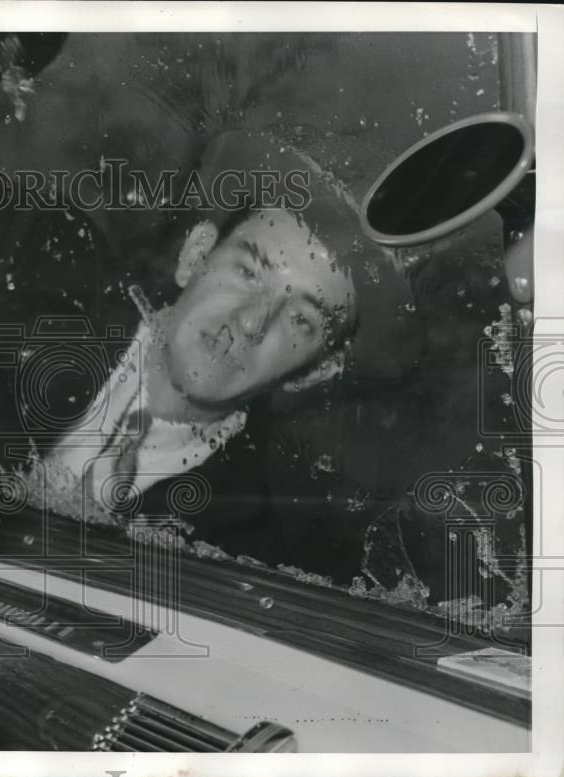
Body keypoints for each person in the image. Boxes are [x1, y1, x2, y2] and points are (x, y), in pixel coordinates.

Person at [43, 130, 418, 530]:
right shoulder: (33, 289)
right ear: (196, 254)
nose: (252, 321)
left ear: (314, 372)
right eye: (248, 271)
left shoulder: (242, 540)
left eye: (300, 319)